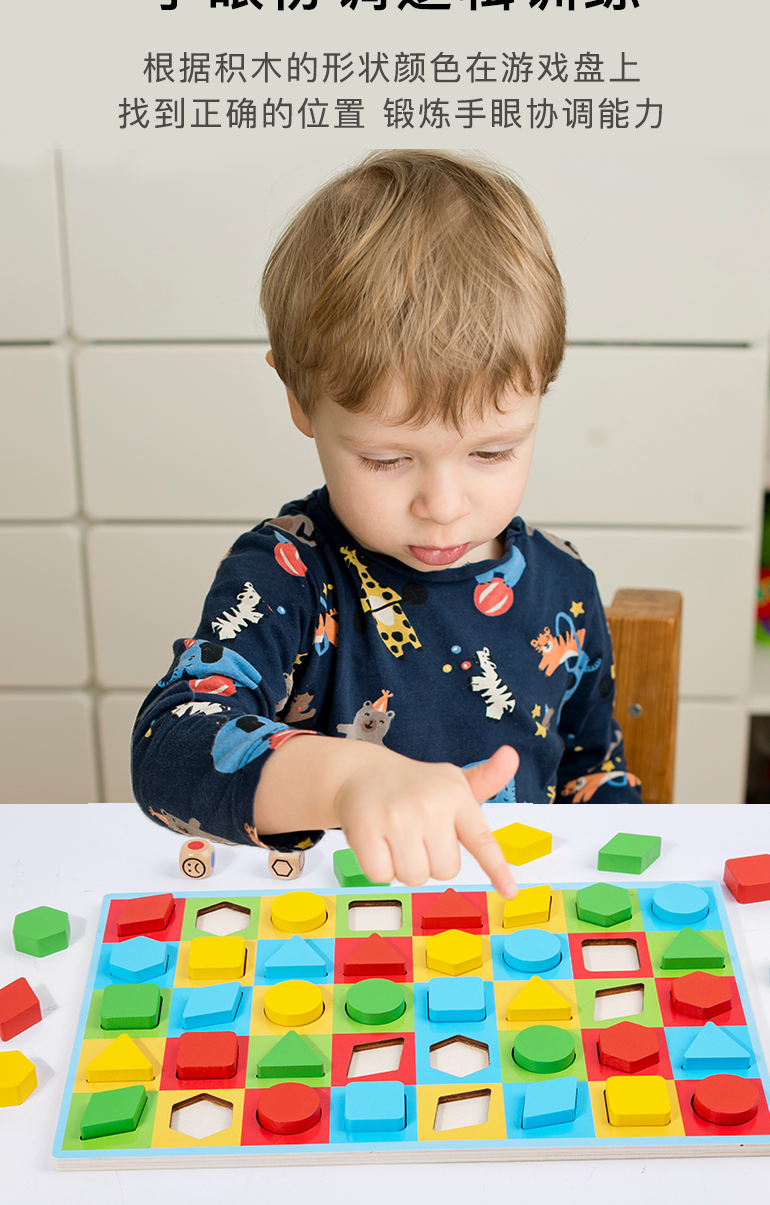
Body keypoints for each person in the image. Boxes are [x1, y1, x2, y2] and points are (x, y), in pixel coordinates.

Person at [132, 150, 641, 900]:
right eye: (387, 459)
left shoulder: (565, 585)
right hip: (333, 946)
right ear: (300, 400)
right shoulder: (286, 575)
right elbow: (171, 745)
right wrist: (346, 778)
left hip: (516, 943)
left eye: (492, 451)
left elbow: (594, 776)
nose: (444, 503)